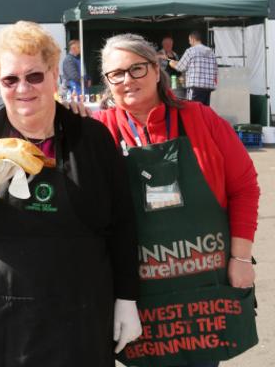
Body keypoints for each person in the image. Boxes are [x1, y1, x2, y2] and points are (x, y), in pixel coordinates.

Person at [0, 21, 141, 367]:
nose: (23, 88)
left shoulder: (91, 137)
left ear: (53, 75)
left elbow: (122, 222)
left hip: (78, 313)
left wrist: (126, 297)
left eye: (34, 76)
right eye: (10, 79)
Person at [95, 33, 259, 366]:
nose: (127, 80)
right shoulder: (97, 131)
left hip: (204, 288)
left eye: (137, 69)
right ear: (108, 83)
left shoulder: (201, 118)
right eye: (117, 74)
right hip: (138, 292)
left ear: (157, 69)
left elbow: (244, 187)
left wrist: (241, 258)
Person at [169, 30, 218, 105]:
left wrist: (172, 63)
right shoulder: (211, 52)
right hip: (208, 87)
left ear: (192, 39)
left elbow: (180, 67)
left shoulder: (191, 51)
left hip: (195, 87)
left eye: (189, 40)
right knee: (204, 110)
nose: (189, 43)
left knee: (193, 109)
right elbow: (215, 69)